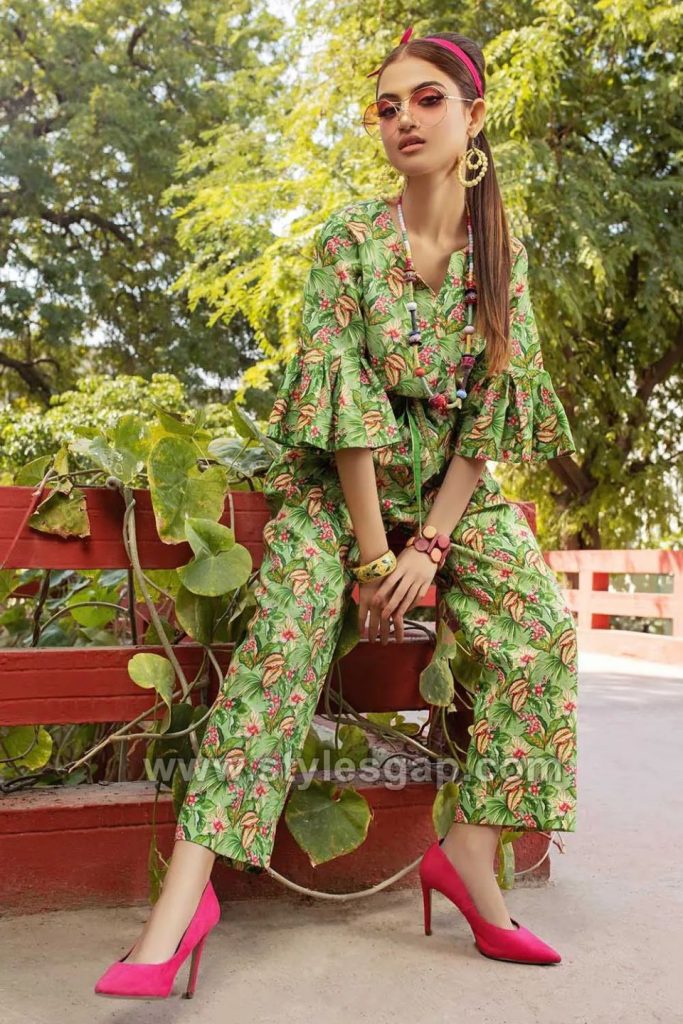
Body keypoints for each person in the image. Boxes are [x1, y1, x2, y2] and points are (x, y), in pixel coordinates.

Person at [94, 27, 578, 996]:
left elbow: (492, 408)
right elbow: (343, 405)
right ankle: (180, 907)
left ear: (474, 116)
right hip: (340, 491)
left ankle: (469, 854)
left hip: (447, 495)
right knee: (281, 646)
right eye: (388, 106)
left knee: (542, 631)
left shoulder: (501, 255)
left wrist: (431, 542)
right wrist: (371, 557)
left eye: (428, 100)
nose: (404, 119)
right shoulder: (347, 241)